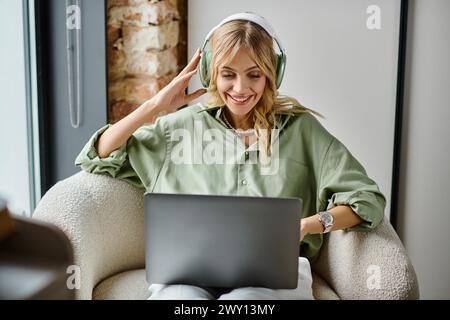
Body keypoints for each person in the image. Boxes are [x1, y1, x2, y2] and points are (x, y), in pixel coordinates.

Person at [75, 12, 386, 300]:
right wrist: (154, 106)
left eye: (254, 75)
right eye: (228, 74)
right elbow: (99, 156)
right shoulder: (177, 129)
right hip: (186, 277)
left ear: (271, 74)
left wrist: (307, 225)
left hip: (271, 281)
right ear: (212, 72)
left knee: (244, 302)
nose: (241, 88)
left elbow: (366, 199)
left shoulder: (303, 131)